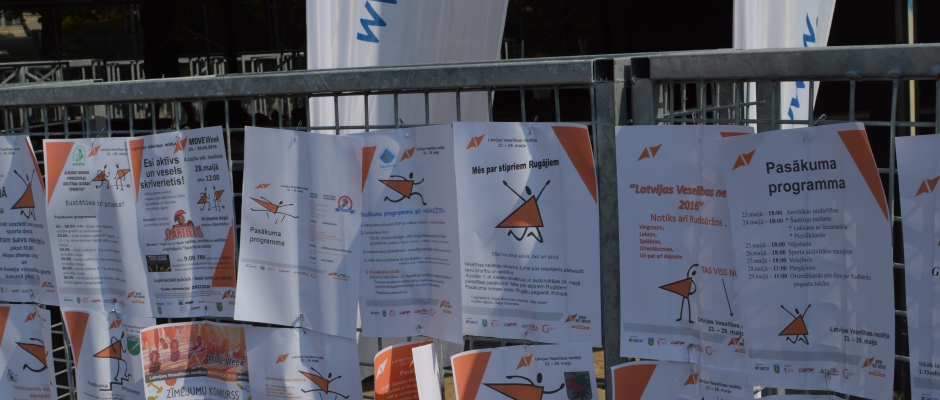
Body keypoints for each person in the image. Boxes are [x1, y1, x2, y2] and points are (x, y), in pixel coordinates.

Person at [140, 0, 193, 125]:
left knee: (175, 85)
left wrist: (166, 43)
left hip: (165, 51)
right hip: (153, 51)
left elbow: (178, 20)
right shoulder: (146, 6)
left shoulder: (165, 4)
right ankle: (155, 121)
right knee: (154, 88)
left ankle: (191, 118)